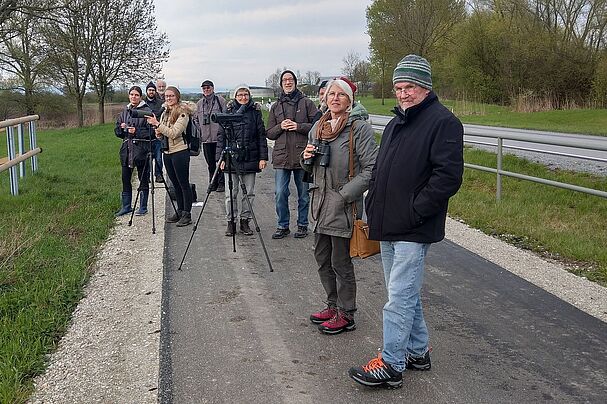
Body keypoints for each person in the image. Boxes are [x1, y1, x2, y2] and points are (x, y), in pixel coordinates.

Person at [348, 55, 464, 388]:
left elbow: (448, 177)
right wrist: (374, 203)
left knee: (398, 296)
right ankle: (417, 351)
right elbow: (383, 168)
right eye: (398, 87)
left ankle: (391, 363)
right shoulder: (398, 122)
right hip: (388, 221)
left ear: (425, 86)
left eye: (409, 86)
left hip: (414, 226)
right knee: (402, 293)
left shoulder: (443, 122)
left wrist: (416, 210)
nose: (403, 94)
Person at [301, 78, 378, 335]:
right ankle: (332, 305)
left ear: (350, 100)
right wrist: (306, 158)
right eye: (331, 94)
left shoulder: (359, 129)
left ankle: (346, 313)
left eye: (341, 95)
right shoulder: (319, 126)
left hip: (343, 206)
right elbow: (308, 166)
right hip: (319, 204)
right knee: (322, 258)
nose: (335, 98)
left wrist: (345, 194)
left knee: (340, 261)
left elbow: (372, 169)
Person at [267, 70, 318, 239]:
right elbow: (269, 133)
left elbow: (317, 126)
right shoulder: (275, 106)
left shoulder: (307, 103)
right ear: (281, 84)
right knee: (280, 193)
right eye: (284, 80)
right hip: (282, 156)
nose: (288, 82)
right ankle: (283, 225)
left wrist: (298, 126)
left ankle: (302, 224)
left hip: (302, 155)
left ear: (295, 82)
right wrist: (281, 126)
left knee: (303, 194)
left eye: (290, 79)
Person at [216, 84, 268, 236]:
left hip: (251, 156)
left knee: (249, 193)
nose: (243, 97)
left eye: (246, 94)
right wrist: (221, 158)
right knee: (230, 193)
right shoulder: (229, 111)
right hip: (231, 157)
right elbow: (222, 137)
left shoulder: (255, 112)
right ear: (235, 96)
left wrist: (263, 157)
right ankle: (230, 221)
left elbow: (261, 136)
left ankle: (245, 221)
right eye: (240, 95)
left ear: (249, 95)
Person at [146, 86, 196, 227]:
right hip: (167, 151)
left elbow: (174, 133)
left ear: (177, 97)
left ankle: (187, 214)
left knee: (183, 184)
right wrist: (158, 131)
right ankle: (179, 211)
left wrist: (157, 125)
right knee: (175, 184)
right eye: (167, 96)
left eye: (171, 96)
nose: (168, 98)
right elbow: (163, 130)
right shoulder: (165, 112)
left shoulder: (183, 113)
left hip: (180, 151)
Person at [114, 85, 153, 217]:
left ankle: (143, 206)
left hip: (142, 149)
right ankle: (126, 206)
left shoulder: (147, 111)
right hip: (127, 150)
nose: (134, 97)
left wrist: (137, 131)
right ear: (129, 96)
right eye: (131, 94)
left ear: (140, 97)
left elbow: (151, 132)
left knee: (143, 178)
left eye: (136, 95)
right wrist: (122, 128)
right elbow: (117, 131)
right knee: (125, 179)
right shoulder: (124, 111)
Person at [196, 79, 227, 192]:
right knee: (210, 164)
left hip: (218, 138)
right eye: (204, 88)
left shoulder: (220, 101)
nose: (206, 90)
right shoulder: (199, 104)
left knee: (220, 161)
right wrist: (200, 131)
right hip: (206, 139)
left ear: (213, 88)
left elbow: (226, 116)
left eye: (208, 87)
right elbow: (195, 119)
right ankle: (212, 183)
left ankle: (221, 183)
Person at [145, 81, 165, 183]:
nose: (151, 92)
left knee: (158, 157)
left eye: (153, 90)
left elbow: (161, 116)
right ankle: (147, 176)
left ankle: (158, 175)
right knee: (147, 158)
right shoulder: (143, 103)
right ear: (146, 91)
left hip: (158, 134)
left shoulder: (160, 103)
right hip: (146, 135)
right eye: (149, 90)